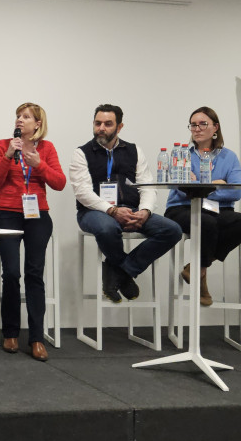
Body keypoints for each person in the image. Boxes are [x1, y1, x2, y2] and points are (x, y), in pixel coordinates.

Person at [69, 104, 182, 302]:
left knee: (172, 230)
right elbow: (82, 192)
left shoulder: (134, 151)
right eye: (97, 123)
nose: (101, 128)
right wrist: (112, 210)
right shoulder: (82, 153)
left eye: (107, 124)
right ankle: (124, 270)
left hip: (132, 210)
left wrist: (145, 211)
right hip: (93, 212)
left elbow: (147, 186)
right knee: (107, 228)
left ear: (119, 127)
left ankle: (120, 272)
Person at [0, 102, 66, 361]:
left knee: (35, 274)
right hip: (7, 213)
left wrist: (40, 165)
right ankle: (10, 332)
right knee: (11, 273)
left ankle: (36, 337)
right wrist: (9, 154)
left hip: (38, 216)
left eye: (26, 117)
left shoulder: (47, 148)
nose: (20, 120)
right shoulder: (3, 145)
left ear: (38, 124)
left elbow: (60, 183)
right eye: (18, 116)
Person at [163, 107, 241, 306]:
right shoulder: (181, 154)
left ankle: (196, 268)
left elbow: (236, 192)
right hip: (182, 208)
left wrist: (201, 186)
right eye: (193, 124)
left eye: (203, 124)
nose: (197, 128)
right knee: (207, 222)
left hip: (216, 210)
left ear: (215, 127)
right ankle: (201, 275)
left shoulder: (229, 156)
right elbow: (181, 191)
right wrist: (217, 183)